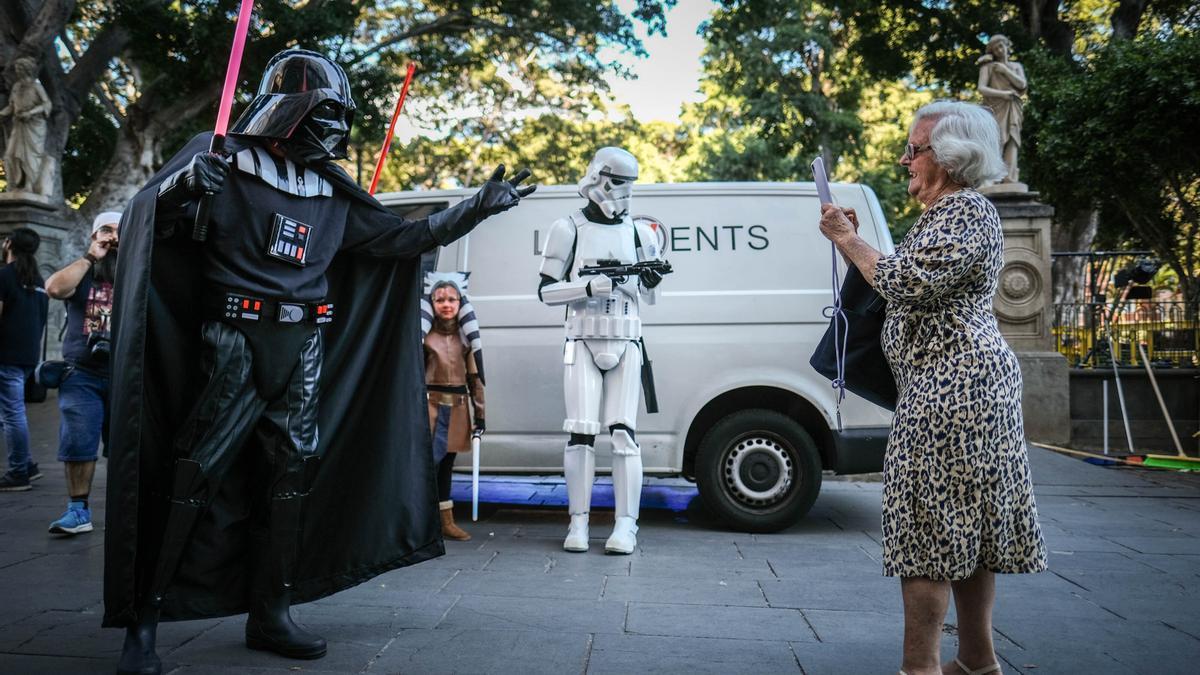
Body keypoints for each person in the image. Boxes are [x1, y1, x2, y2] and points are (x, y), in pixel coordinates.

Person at [103, 48, 534, 675]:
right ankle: (143, 623)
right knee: (192, 477)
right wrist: (180, 189)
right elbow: (150, 219)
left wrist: (473, 208)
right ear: (293, 108)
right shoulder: (221, 159)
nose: (336, 128)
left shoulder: (330, 192)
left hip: (303, 345)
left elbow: (399, 240)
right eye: (327, 112)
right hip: (233, 342)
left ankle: (271, 611)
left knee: (291, 480)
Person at [817, 101, 1047, 675]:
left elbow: (906, 283)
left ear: (948, 156)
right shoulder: (950, 215)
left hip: (953, 388)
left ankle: (920, 668)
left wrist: (847, 237)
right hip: (960, 385)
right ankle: (976, 663)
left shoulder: (965, 212)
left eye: (914, 150)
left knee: (927, 532)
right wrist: (857, 238)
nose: (904, 160)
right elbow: (904, 274)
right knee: (965, 526)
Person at [537, 147, 669, 554]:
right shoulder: (567, 228)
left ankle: (626, 525)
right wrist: (588, 287)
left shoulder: (640, 233)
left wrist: (646, 278)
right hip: (581, 340)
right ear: (598, 177)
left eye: (629, 185)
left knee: (624, 435)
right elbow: (545, 291)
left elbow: (650, 298)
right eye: (617, 183)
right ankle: (578, 523)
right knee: (580, 434)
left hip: (626, 340)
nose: (622, 193)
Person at [41, 211, 120, 530]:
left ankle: (125, 511)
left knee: (128, 445)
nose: (112, 238)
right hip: (81, 374)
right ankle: (78, 511)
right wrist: (92, 254)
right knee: (78, 441)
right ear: (93, 235)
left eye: (119, 232)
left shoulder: (139, 270)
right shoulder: (84, 270)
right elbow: (54, 289)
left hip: (125, 374)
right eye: (105, 231)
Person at [421, 273, 485, 541]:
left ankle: (445, 521)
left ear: (461, 303)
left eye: (452, 299)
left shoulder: (466, 339)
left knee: (447, 465)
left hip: (457, 408)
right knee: (425, 466)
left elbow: (476, 379)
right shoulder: (424, 338)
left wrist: (480, 415)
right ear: (431, 302)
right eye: (440, 299)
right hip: (429, 408)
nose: (446, 304)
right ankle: (422, 523)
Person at [0, 227, 49, 491]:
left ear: (9, 244)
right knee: (11, 412)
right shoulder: (38, 281)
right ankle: (27, 464)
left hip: (6, 356)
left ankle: (19, 471)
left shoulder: (4, 276)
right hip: (27, 356)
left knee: (13, 413)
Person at [0, 56, 54, 196]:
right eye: (17, 67)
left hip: (34, 126)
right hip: (18, 125)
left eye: (20, 67)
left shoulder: (36, 86)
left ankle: (29, 186)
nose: (17, 70)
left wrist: (30, 112)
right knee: (10, 155)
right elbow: (11, 107)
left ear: (27, 69)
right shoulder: (16, 87)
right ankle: (13, 186)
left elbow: (47, 104)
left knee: (30, 156)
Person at [976, 35, 1026, 185]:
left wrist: (1005, 70)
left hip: (1013, 107)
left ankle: (1010, 178)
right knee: (995, 141)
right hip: (995, 108)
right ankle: (992, 178)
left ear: (1007, 46)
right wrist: (1004, 94)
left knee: (1012, 139)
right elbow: (982, 88)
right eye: (996, 48)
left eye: (1001, 46)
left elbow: (1022, 85)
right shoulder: (988, 67)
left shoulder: (1016, 66)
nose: (999, 50)